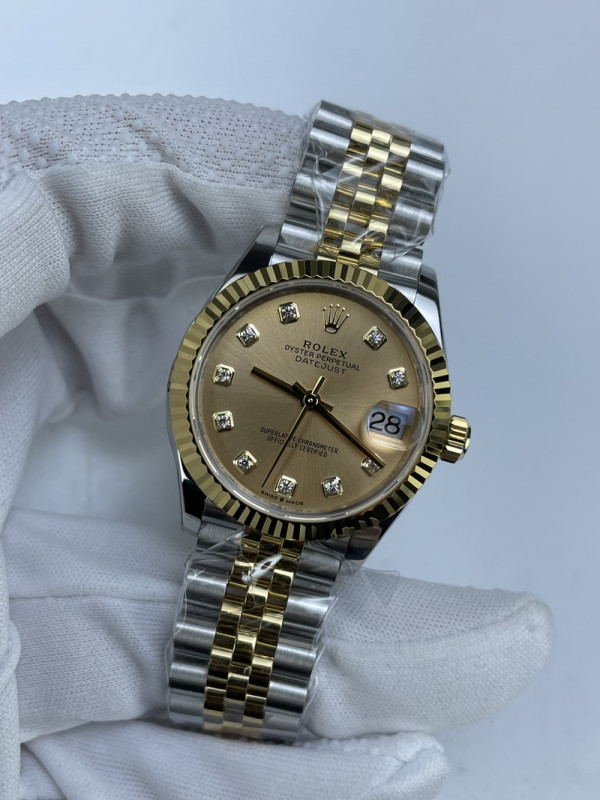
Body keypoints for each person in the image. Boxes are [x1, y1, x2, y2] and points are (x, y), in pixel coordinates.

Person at [0, 94, 553, 800]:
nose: (314, 402)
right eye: (306, 396)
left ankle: (221, 711)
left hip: (293, 497)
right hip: (247, 481)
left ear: (437, 434)